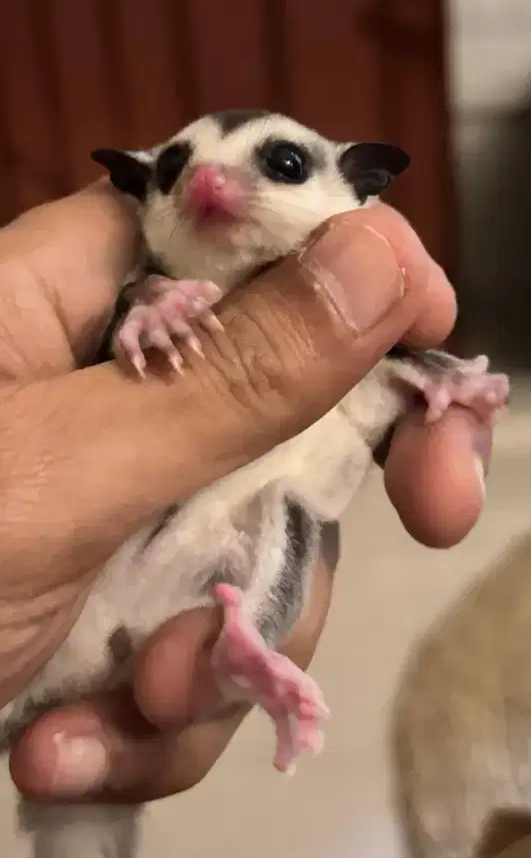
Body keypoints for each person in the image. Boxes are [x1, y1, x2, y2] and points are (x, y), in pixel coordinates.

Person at [0, 180, 493, 804]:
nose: (211, 184)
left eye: (281, 165)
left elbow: (398, 381)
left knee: (289, 518)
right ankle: (242, 644)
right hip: (100, 580)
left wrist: (449, 380)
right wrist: (149, 305)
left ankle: (246, 639)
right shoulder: (142, 292)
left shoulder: (358, 325)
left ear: (348, 185)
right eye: (177, 170)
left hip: (190, 571)